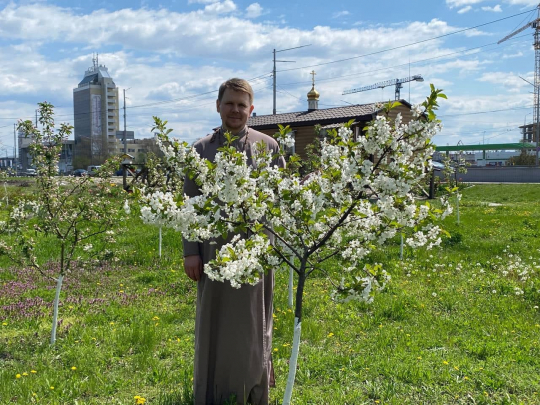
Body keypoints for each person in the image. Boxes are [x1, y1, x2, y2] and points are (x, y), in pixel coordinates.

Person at [183, 78, 285, 405]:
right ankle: (211, 393)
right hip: (213, 251)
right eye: (230, 103)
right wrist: (191, 253)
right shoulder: (200, 151)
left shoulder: (268, 147)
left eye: (242, 105)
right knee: (214, 321)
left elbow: (282, 200)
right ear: (218, 106)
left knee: (254, 325)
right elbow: (190, 207)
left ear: (251, 109)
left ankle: (253, 391)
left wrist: (277, 246)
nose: (236, 110)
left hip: (256, 253)